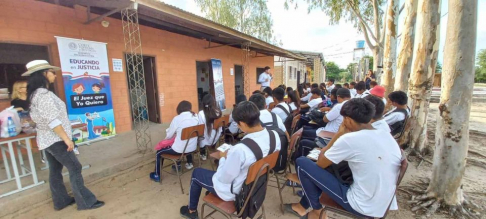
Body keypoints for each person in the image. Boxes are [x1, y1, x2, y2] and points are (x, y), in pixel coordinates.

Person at [284, 98, 402, 219]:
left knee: (303, 163)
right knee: (330, 169)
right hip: (381, 204)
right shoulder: (385, 135)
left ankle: (316, 211)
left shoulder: (351, 139)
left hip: (360, 205)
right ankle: (303, 205)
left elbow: (320, 163)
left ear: (348, 120)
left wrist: (339, 134)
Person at [24, 60, 104, 210]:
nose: (54, 75)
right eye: (51, 72)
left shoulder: (34, 95)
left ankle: (61, 201)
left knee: (55, 170)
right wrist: (67, 140)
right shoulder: (44, 95)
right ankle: (86, 202)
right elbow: (53, 121)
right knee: (75, 167)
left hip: (46, 140)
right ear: (43, 74)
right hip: (56, 139)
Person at [179, 101, 281, 219]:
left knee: (197, 173)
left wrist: (223, 158)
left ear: (242, 123)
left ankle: (191, 211)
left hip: (237, 192)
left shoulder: (241, 150)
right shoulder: (274, 135)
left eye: (237, 124)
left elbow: (224, 178)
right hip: (257, 187)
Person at [150, 100, 199, 181]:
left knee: (159, 152)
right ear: (189, 108)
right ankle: (179, 164)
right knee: (182, 141)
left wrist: (165, 140)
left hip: (180, 150)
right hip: (192, 148)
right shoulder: (195, 116)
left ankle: (157, 175)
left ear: (179, 109)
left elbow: (169, 135)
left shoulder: (177, 119)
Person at [196, 94, 222, 163]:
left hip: (205, 138)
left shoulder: (201, 113)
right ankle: (211, 148)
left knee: (199, 135)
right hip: (215, 138)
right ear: (213, 102)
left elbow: (200, 129)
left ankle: (203, 154)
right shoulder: (218, 111)